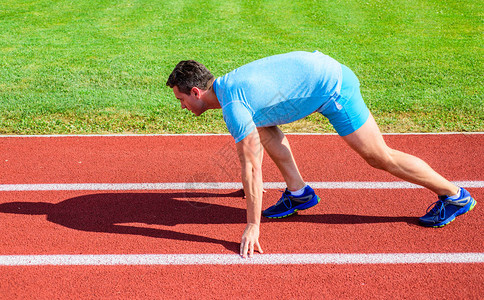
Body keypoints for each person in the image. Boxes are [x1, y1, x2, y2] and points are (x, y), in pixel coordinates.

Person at [166, 51, 476, 258]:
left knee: (379, 156)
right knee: (264, 127)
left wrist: (253, 225)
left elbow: (251, 168)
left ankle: (454, 195)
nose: (182, 106)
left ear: (196, 92)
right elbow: (256, 151)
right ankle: (299, 193)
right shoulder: (231, 88)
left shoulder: (234, 107)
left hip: (334, 88)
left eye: (181, 99)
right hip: (319, 71)